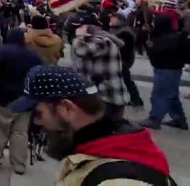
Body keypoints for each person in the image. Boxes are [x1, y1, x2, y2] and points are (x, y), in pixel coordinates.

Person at [9, 65, 172, 185]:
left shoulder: (119, 181)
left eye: (38, 114)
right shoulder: (99, 147)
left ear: (67, 108)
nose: (37, 123)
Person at [0, 28, 42, 174]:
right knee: (20, 132)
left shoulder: (1, 51)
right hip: (25, 99)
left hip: (1, 98)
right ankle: (19, 164)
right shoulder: (33, 54)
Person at [139, 14, 190, 131]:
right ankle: (179, 119)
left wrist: (150, 42)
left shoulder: (170, 39)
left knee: (160, 95)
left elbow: (156, 51)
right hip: (168, 69)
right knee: (172, 95)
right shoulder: (165, 36)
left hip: (167, 70)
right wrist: (146, 34)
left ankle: (154, 119)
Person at [71, 14, 128, 119]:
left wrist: (79, 37)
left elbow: (82, 50)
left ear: (90, 27)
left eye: (80, 27)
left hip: (108, 98)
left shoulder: (102, 40)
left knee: (105, 131)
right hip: (101, 96)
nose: (77, 29)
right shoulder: (95, 40)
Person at [108, 12, 144, 107]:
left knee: (125, 79)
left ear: (119, 20)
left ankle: (135, 99)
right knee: (124, 78)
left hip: (124, 59)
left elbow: (124, 47)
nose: (110, 20)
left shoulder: (124, 32)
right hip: (121, 58)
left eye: (113, 18)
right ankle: (135, 99)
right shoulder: (117, 29)